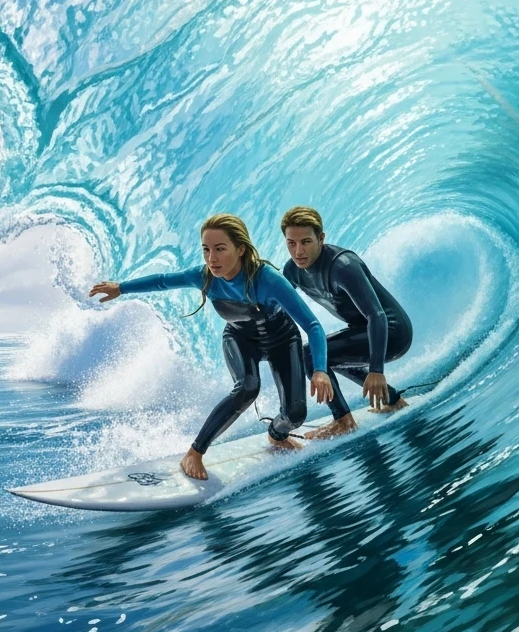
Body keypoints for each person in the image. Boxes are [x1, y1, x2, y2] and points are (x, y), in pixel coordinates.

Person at [90, 213, 334, 480]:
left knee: (296, 413)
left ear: (240, 249)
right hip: (241, 339)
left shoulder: (267, 279)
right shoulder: (204, 277)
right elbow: (163, 280)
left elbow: (312, 325)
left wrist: (320, 370)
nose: (211, 258)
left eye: (220, 249)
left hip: (282, 339)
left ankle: (277, 435)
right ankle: (194, 453)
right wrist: (121, 288)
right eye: (206, 249)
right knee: (247, 388)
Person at [280, 206, 413, 440]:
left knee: (309, 355)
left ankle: (343, 421)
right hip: (362, 332)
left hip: (392, 332)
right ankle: (392, 400)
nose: (298, 251)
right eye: (291, 243)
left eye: (306, 242)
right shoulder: (292, 271)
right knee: (321, 353)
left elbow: (376, 315)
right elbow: (278, 309)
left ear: (321, 239)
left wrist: (376, 370)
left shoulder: (342, 266)